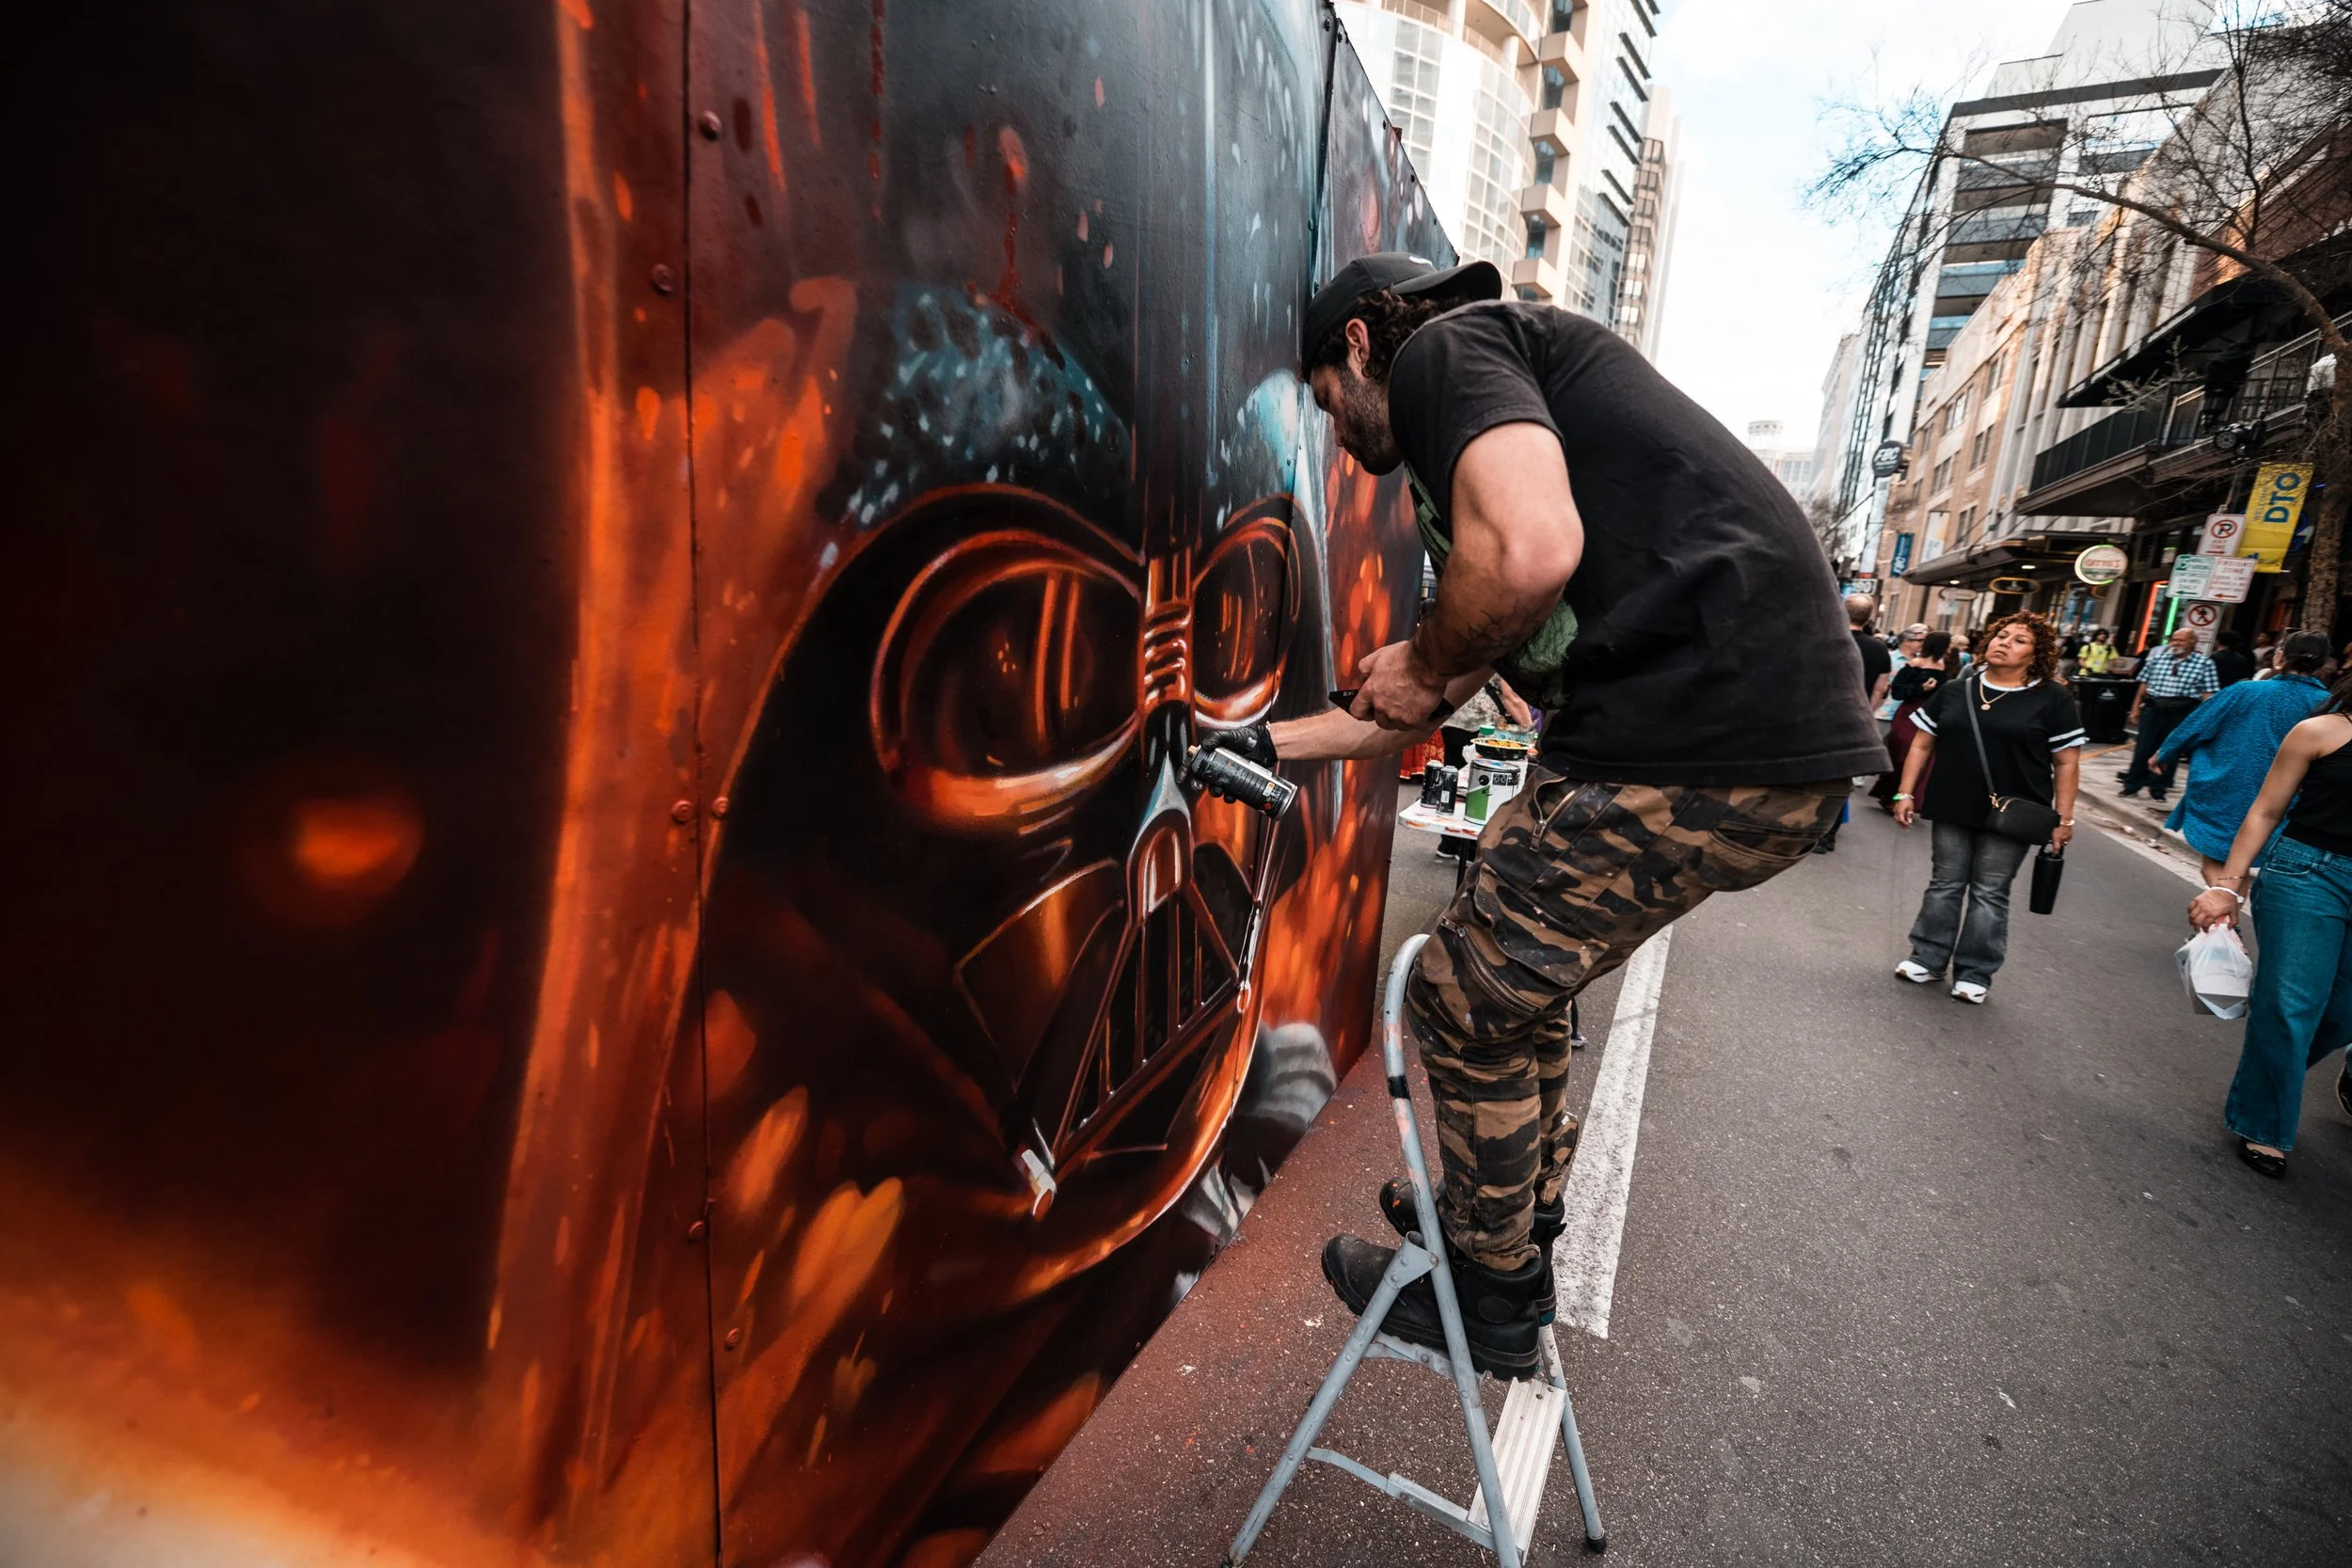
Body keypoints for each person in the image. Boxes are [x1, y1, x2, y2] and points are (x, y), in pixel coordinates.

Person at [1197, 251, 1885, 1377]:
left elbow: (1523, 558)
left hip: (1695, 732)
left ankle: (1488, 1293)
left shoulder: (1448, 352)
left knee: (1457, 993)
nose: (1335, 431)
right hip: (1739, 742)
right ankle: (1509, 1225)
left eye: (1325, 399)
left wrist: (1424, 658)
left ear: (1361, 343)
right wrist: (1253, 740)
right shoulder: (1515, 421)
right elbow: (1413, 696)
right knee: (1520, 987)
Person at [2187, 673, 2352, 1178]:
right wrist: (2228, 886)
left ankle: (2266, 1079)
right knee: (2289, 1004)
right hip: (2310, 873)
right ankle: (2264, 1126)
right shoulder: (2320, 731)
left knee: (2344, 1011)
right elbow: (2265, 810)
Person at [1889, 613, 2083, 1003]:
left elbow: (2066, 762)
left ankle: (1975, 972)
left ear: (2036, 654)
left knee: (1990, 891)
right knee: (1945, 882)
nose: (2004, 642)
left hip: (2017, 811)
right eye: (2001, 635)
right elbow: (1923, 743)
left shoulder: (2052, 697)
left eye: (2019, 640)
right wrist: (1904, 792)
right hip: (1953, 800)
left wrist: (2064, 818)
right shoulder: (1957, 690)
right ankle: (1927, 958)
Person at [2155, 631, 2332, 879]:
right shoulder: (2329, 705)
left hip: (2230, 788)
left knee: (2220, 862)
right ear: (2323, 664)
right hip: (2289, 798)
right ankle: (2229, 906)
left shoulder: (2244, 691)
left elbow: (2197, 724)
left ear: (2279, 656)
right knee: (2250, 868)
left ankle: (2225, 911)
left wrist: (2165, 752)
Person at [2121, 625, 2218, 800]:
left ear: (2192, 643)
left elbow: (2208, 694)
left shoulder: (2205, 664)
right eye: (2174, 639)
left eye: (2181, 640)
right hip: (2153, 708)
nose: (2176, 643)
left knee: (2170, 750)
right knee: (2143, 748)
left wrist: (2205, 719)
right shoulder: (2157, 660)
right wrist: (2135, 709)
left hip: (2181, 711)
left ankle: (2159, 789)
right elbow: (2143, 686)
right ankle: (2132, 784)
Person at [1871, 629, 1951, 810]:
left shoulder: (1944, 666)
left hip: (1930, 714)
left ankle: (1906, 799)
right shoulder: (1914, 664)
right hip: (1908, 713)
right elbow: (1898, 692)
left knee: (1922, 758)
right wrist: (1921, 687)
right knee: (1901, 754)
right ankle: (1890, 796)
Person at [1438, 673, 1534, 767]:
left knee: (1454, 772)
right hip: (1482, 728)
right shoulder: (1508, 658)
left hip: (1454, 720)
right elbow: (1512, 696)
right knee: (1481, 773)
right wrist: (1530, 731)